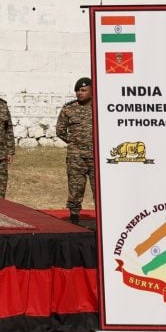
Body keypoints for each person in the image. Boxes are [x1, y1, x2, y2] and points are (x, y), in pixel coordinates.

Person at [56, 77, 95, 225]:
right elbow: (60, 130)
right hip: (76, 157)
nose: (79, 93)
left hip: (95, 156)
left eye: (83, 90)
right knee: (75, 188)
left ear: (92, 90)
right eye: (77, 90)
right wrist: (73, 143)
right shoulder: (69, 108)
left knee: (99, 190)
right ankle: (74, 219)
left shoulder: (100, 107)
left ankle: (103, 221)